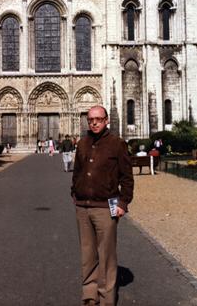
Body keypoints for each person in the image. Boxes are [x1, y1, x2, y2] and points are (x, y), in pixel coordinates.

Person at [71, 105, 134, 306]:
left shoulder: (117, 144)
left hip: (106, 207)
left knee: (106, 255)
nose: (94, 123)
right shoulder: (82, 143)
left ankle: (106, 299)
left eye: (98, 119)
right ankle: (90, 295)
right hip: (83, 206)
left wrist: (123, 202)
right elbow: (77, 173)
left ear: (106, 120)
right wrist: (75, 193)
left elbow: (127, 177)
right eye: (90, 120)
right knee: (87, 254)